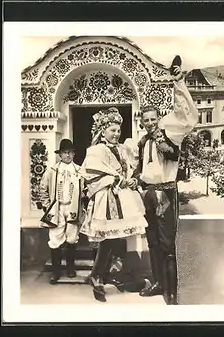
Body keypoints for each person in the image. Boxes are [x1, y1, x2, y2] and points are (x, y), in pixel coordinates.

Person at [132, 56, 199, 305]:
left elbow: (188, 117)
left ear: (157, 119)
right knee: (152, 242)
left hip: (166, 195)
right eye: (145, 120)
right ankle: (159, 283)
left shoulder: (170, 135)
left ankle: (172, 293)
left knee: (167, 245)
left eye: (152, 119)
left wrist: (179, 81)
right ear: (141, 122)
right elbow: (140, 168)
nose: (149, 123)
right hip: (148, 195)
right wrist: (135, 181)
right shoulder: (142, 142)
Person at [80, 107, 153, 302]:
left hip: (124, 197)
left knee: (119, 237)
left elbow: (130, 170)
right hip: (107, 197)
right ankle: (97, 274)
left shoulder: (123, 149)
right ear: (102, 131)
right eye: (112, 130)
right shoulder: (95, 151)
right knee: (107, 239)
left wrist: (132, 180)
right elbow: (93, 175)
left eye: (118, 131)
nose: (116, 134)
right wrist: (119, 180)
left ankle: (116, 273)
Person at [39, 139, 85, 284]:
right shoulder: (52, 171)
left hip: (72, 207)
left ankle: (70, 268)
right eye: (65, 153)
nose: (67, 156)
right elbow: (42, 188)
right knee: (55, 238)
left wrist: (82, 201)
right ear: (60, 155)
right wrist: (47, 205)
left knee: (72, 237)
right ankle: (56, 271)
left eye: (70, 153)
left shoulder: (79, 170)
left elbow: (85, 189)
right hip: (57, 208)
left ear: (74, 154)